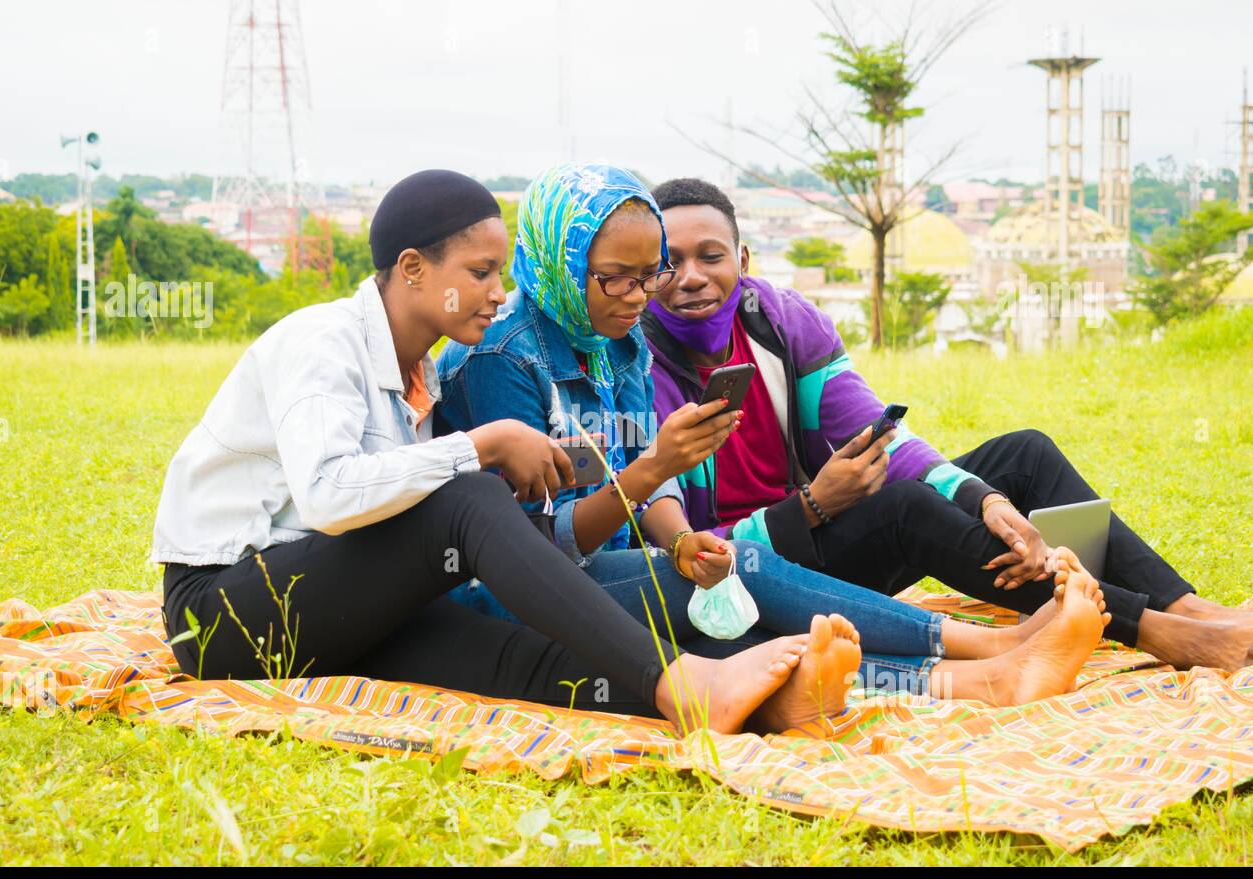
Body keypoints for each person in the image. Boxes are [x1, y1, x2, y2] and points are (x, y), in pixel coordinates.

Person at [152, 168, 841, 737]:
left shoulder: (416, 371)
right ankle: (687, 681)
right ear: (414, 270)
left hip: (322, 602)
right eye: (480, 272)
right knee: (470, 493)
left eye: (501, 271)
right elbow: (330, 495)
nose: (497, 292)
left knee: (506, 656)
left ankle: (749, 706)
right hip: (218, 613)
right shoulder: (321, 341)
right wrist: (482, 445)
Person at [436, 162, 1110, 725]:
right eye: (620, 276)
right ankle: (993, 648)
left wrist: (678, 540)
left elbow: (646, 486)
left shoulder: (618, 339)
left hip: (612, 566)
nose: (644, 296)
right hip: (520, 592)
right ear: (561, 260)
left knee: (741, 619)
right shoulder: (504, 360)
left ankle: (982, 680)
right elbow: (531, 551)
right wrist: (655, 473)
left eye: (651, 274)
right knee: (745, 580)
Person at [640, 176, 1253, 673]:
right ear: (648, 272)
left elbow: (879, 434)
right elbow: (678, 543)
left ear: (742, 260)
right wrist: (809, 508)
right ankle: (1155, 631)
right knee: (904, 508)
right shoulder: (635, 366)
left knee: (1024, 456)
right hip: (745, 573)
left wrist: (984, 502)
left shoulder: (780, 322)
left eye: (711, 256)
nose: (691, 277)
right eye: (670, 263)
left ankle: (1191, 606)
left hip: (819, 528)